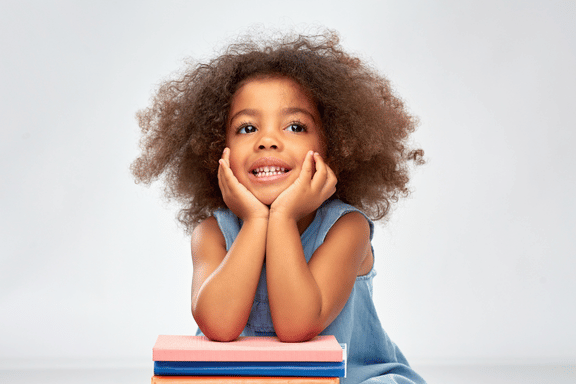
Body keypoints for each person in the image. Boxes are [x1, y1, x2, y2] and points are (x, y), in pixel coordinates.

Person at [132, 30, 426, 384]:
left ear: (335, 146)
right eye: (247, 127)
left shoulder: (348, 228)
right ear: (216, 149)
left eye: (295, 126)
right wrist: (256, 219)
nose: (268, 140)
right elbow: (219, 326)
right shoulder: (212, 231)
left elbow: (297, 326)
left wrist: (282, 216)